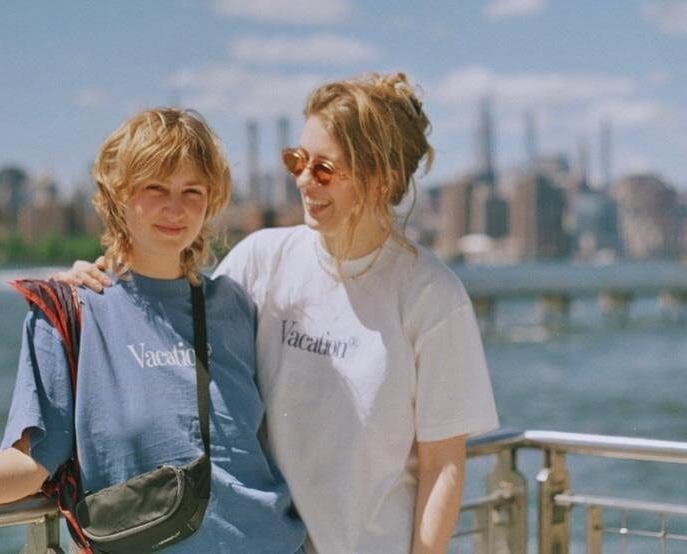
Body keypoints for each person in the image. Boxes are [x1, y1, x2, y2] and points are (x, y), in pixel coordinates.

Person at [57, 73, 499, 553]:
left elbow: (443, 467)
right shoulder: (261, 260)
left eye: (325, 169)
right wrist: (103, 279)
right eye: (297, 160)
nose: (304, 181)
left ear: (382, 177)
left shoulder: (430, 295)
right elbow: (169, 322)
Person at [0, 109, 306, 553]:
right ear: (118, 196)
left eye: (192, 191)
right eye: (155, 188)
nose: (175, 208)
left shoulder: (234, 307)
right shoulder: (69, 312)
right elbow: (30, 465)